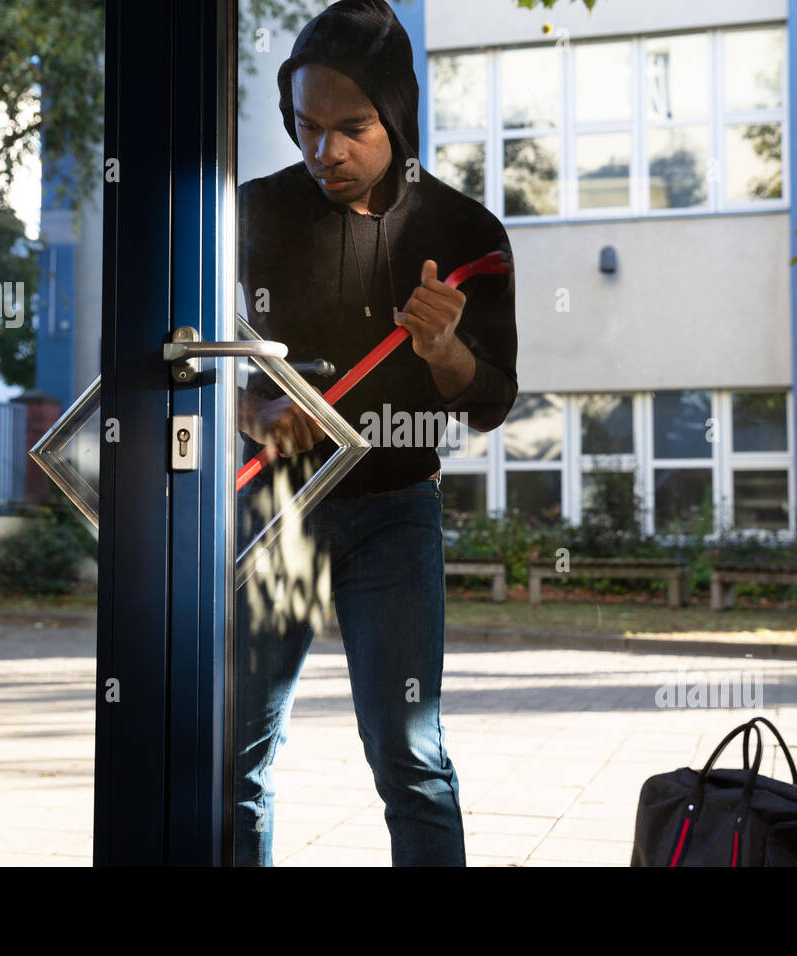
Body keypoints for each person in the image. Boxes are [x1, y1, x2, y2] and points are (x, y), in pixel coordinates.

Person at [233, 0, 517, 867]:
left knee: (411, 759)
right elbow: (193, 358)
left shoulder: (465, 231)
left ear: (397, 115)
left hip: (396, 513)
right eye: (306, 127)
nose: (326, 152)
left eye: (352, 128)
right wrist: (249, 409)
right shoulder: (245, 216)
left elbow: (492, 401)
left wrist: (444, 351)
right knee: (233, 755)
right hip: (277, 511)